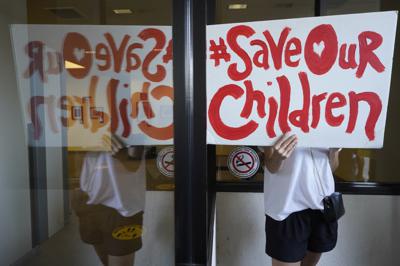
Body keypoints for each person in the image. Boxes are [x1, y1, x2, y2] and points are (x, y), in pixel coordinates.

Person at [263, 133, 341, 266]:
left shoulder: (328, 123)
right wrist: (277, 157)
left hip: (322, 208)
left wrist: (333, 152)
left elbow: (332, 167)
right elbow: (271, 166)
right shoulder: (275, 120)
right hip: (287, 209)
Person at [72, 134, 146, 266]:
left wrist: (118, 148)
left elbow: (133, 162)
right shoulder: (87, 118)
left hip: (121, 205)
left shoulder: (133, 117)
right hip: (89, 200)